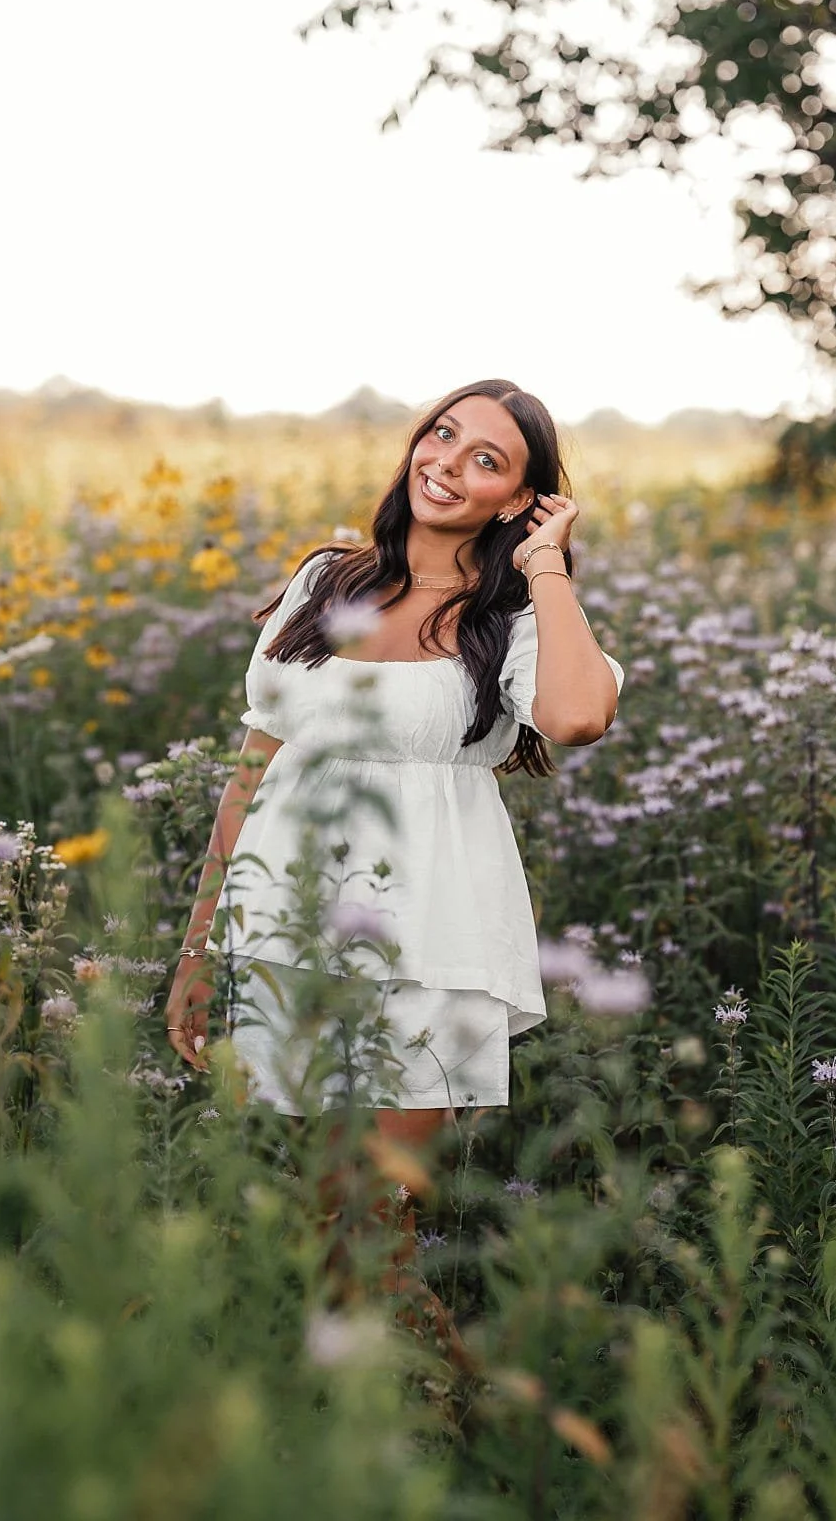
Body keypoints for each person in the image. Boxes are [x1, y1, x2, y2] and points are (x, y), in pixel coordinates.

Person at [160, 378, 624, 1337]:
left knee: (369, 1221)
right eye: (442, 435)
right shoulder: (328, 579)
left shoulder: (516, 618)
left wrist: (546, 565)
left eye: (487, 459)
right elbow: (255, 766)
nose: (448, 463)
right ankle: (393, 1430)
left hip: (434, 946)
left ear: (518, 498)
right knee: (332, 1220)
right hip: (288, 928)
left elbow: (579, 716)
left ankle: (451, 1427)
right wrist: (200, 945)